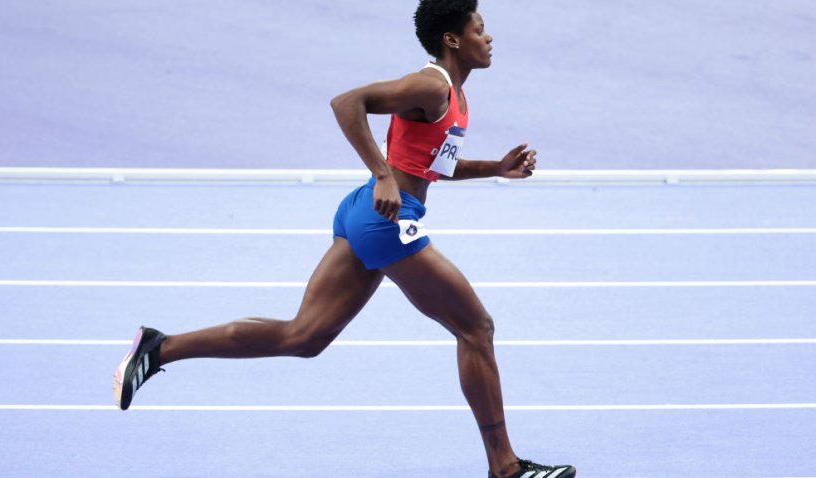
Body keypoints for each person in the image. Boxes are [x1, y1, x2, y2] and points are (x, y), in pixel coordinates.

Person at [114, 1, 576, 477]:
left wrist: (495, 169)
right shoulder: (432, 85)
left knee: (304, 336)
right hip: (388, 220)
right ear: (452, 40)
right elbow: (346, 103)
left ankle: (159, 347)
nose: (489, 37)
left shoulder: (455, 95)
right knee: (475, 328)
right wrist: (382, 175)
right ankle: (506, 467)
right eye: (480, 29)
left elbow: (433, 165)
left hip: (365, 213)